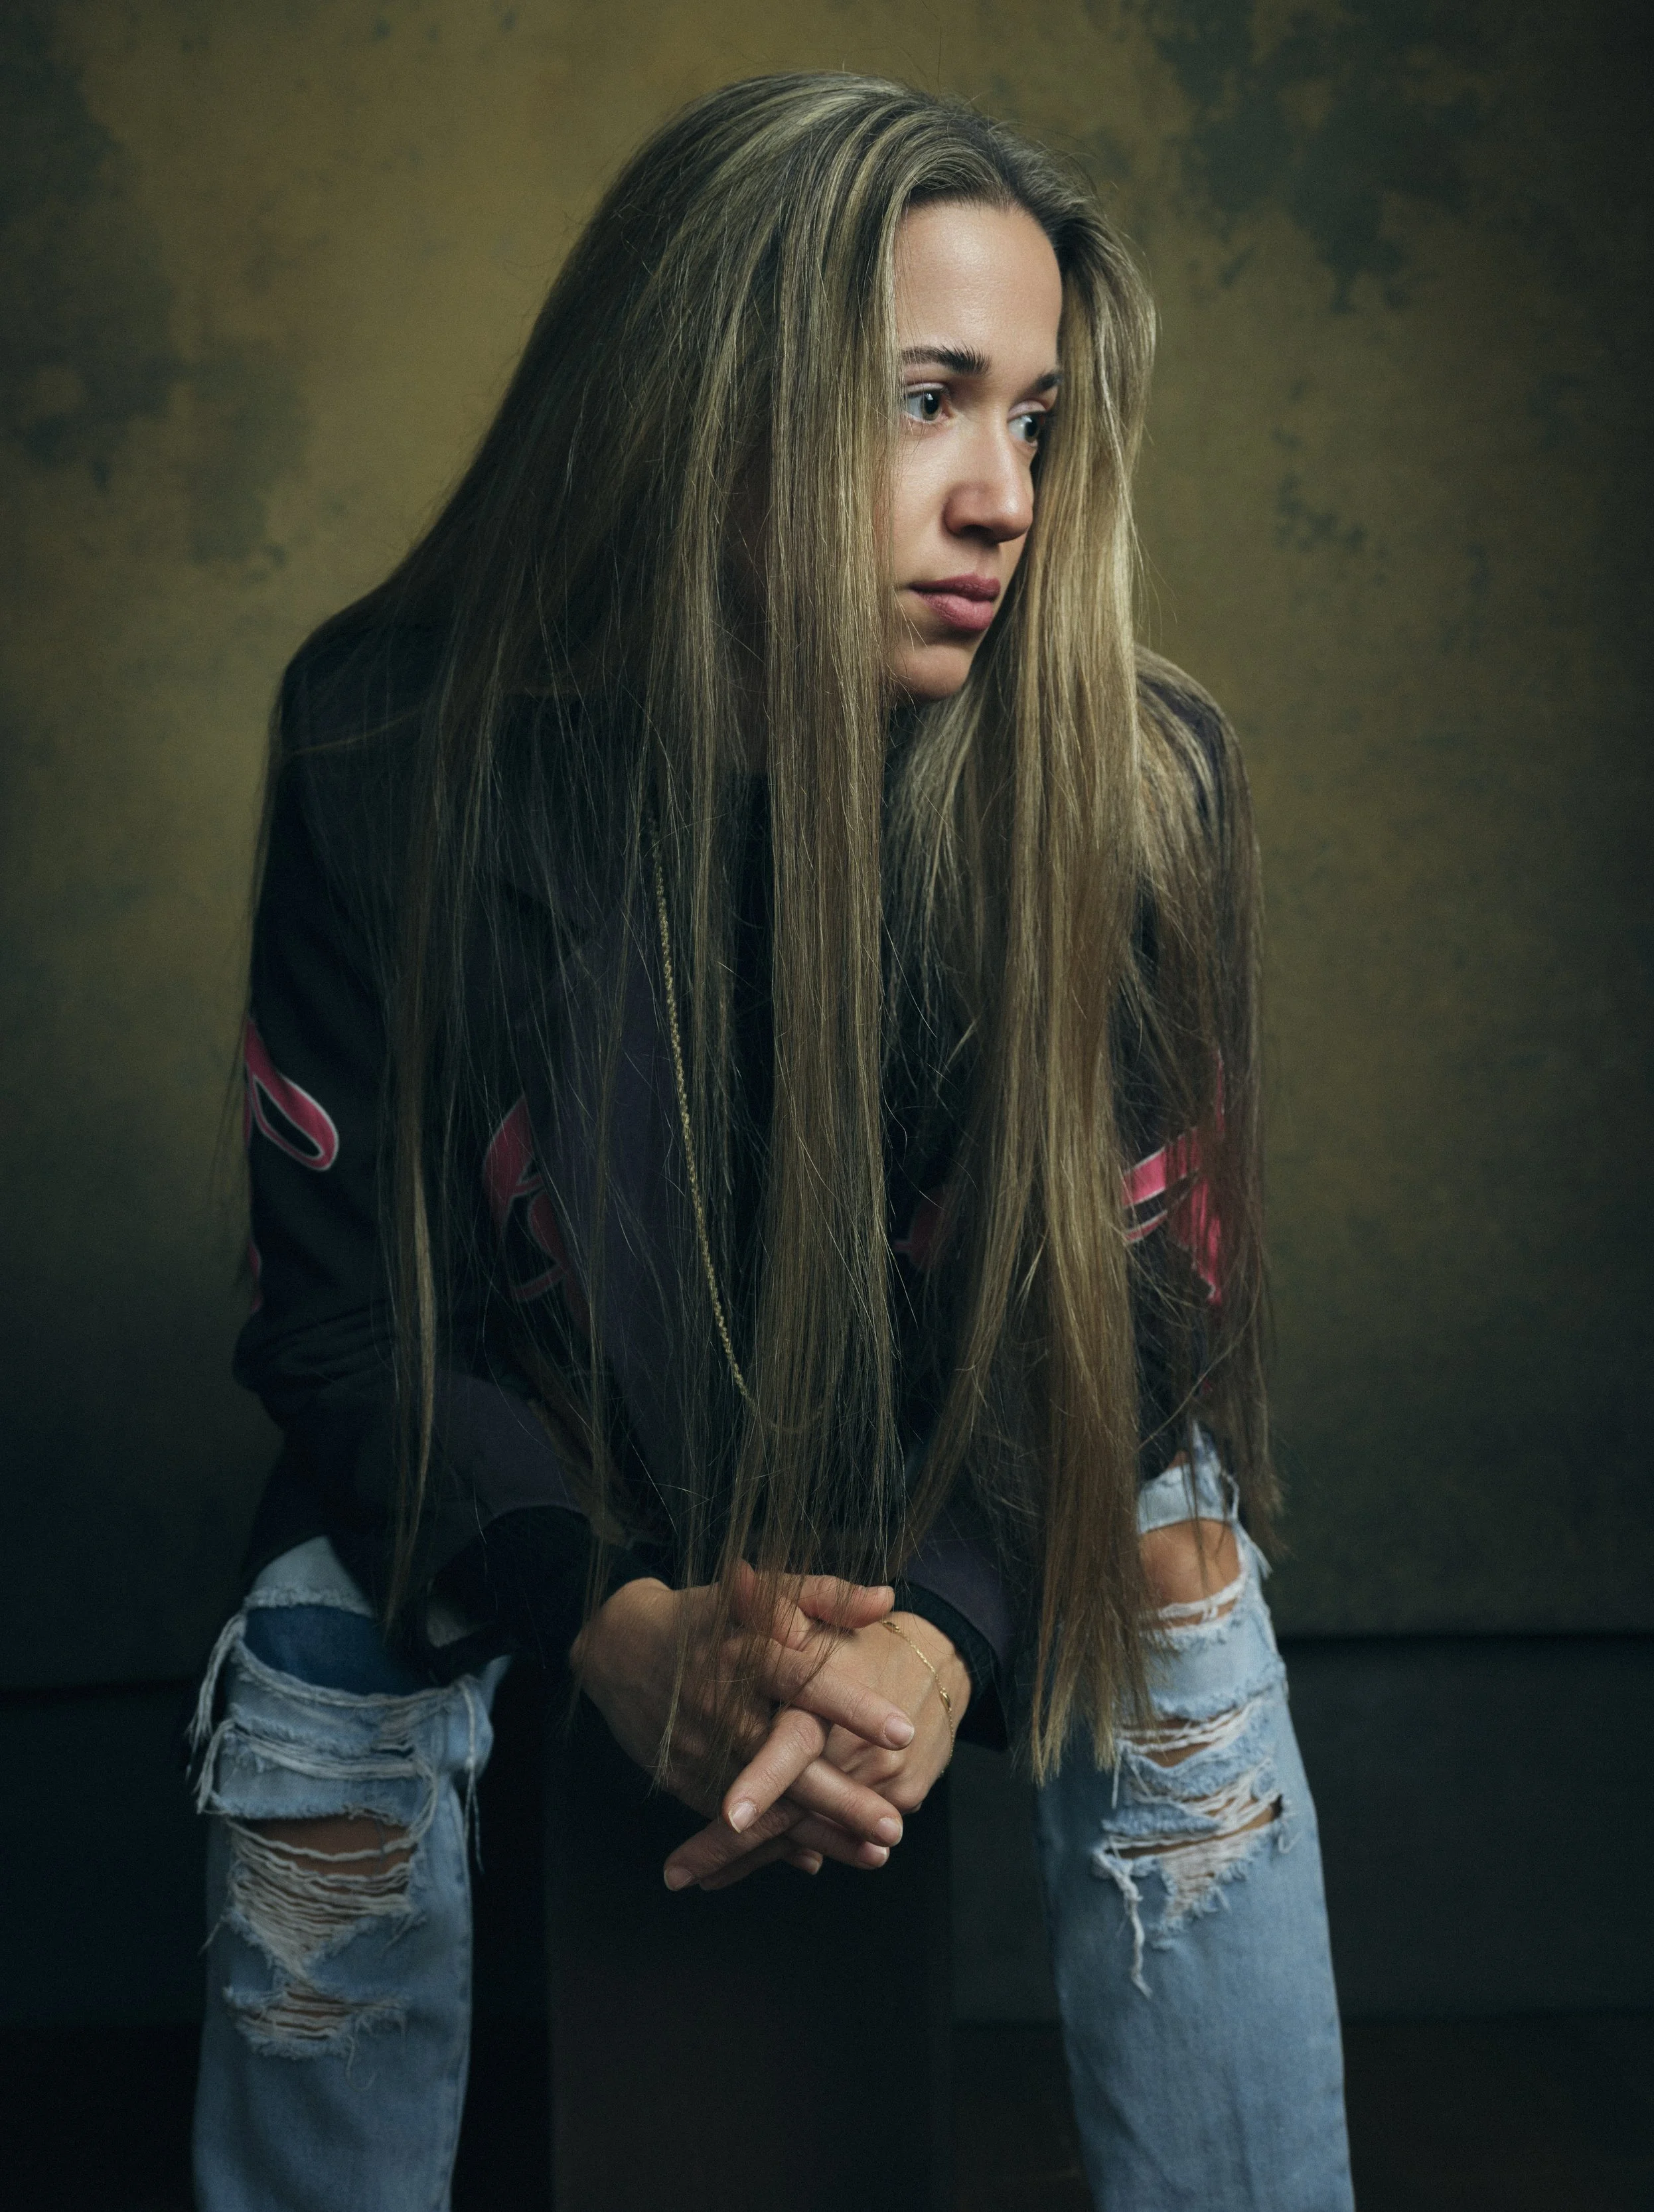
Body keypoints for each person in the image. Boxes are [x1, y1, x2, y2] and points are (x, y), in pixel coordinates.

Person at [188, 73, 1354, 2211]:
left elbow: (1135, 1307)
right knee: (316, 1638)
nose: (1001, 492)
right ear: (710, 401)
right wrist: (610, 1620)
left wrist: (936, 1635)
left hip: (945, 1474)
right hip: (567, 1471)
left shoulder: (1129, 774)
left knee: (1182, 1571)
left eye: (1030, 417)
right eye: (928, 398)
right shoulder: (392, 749)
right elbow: (344, 1319)